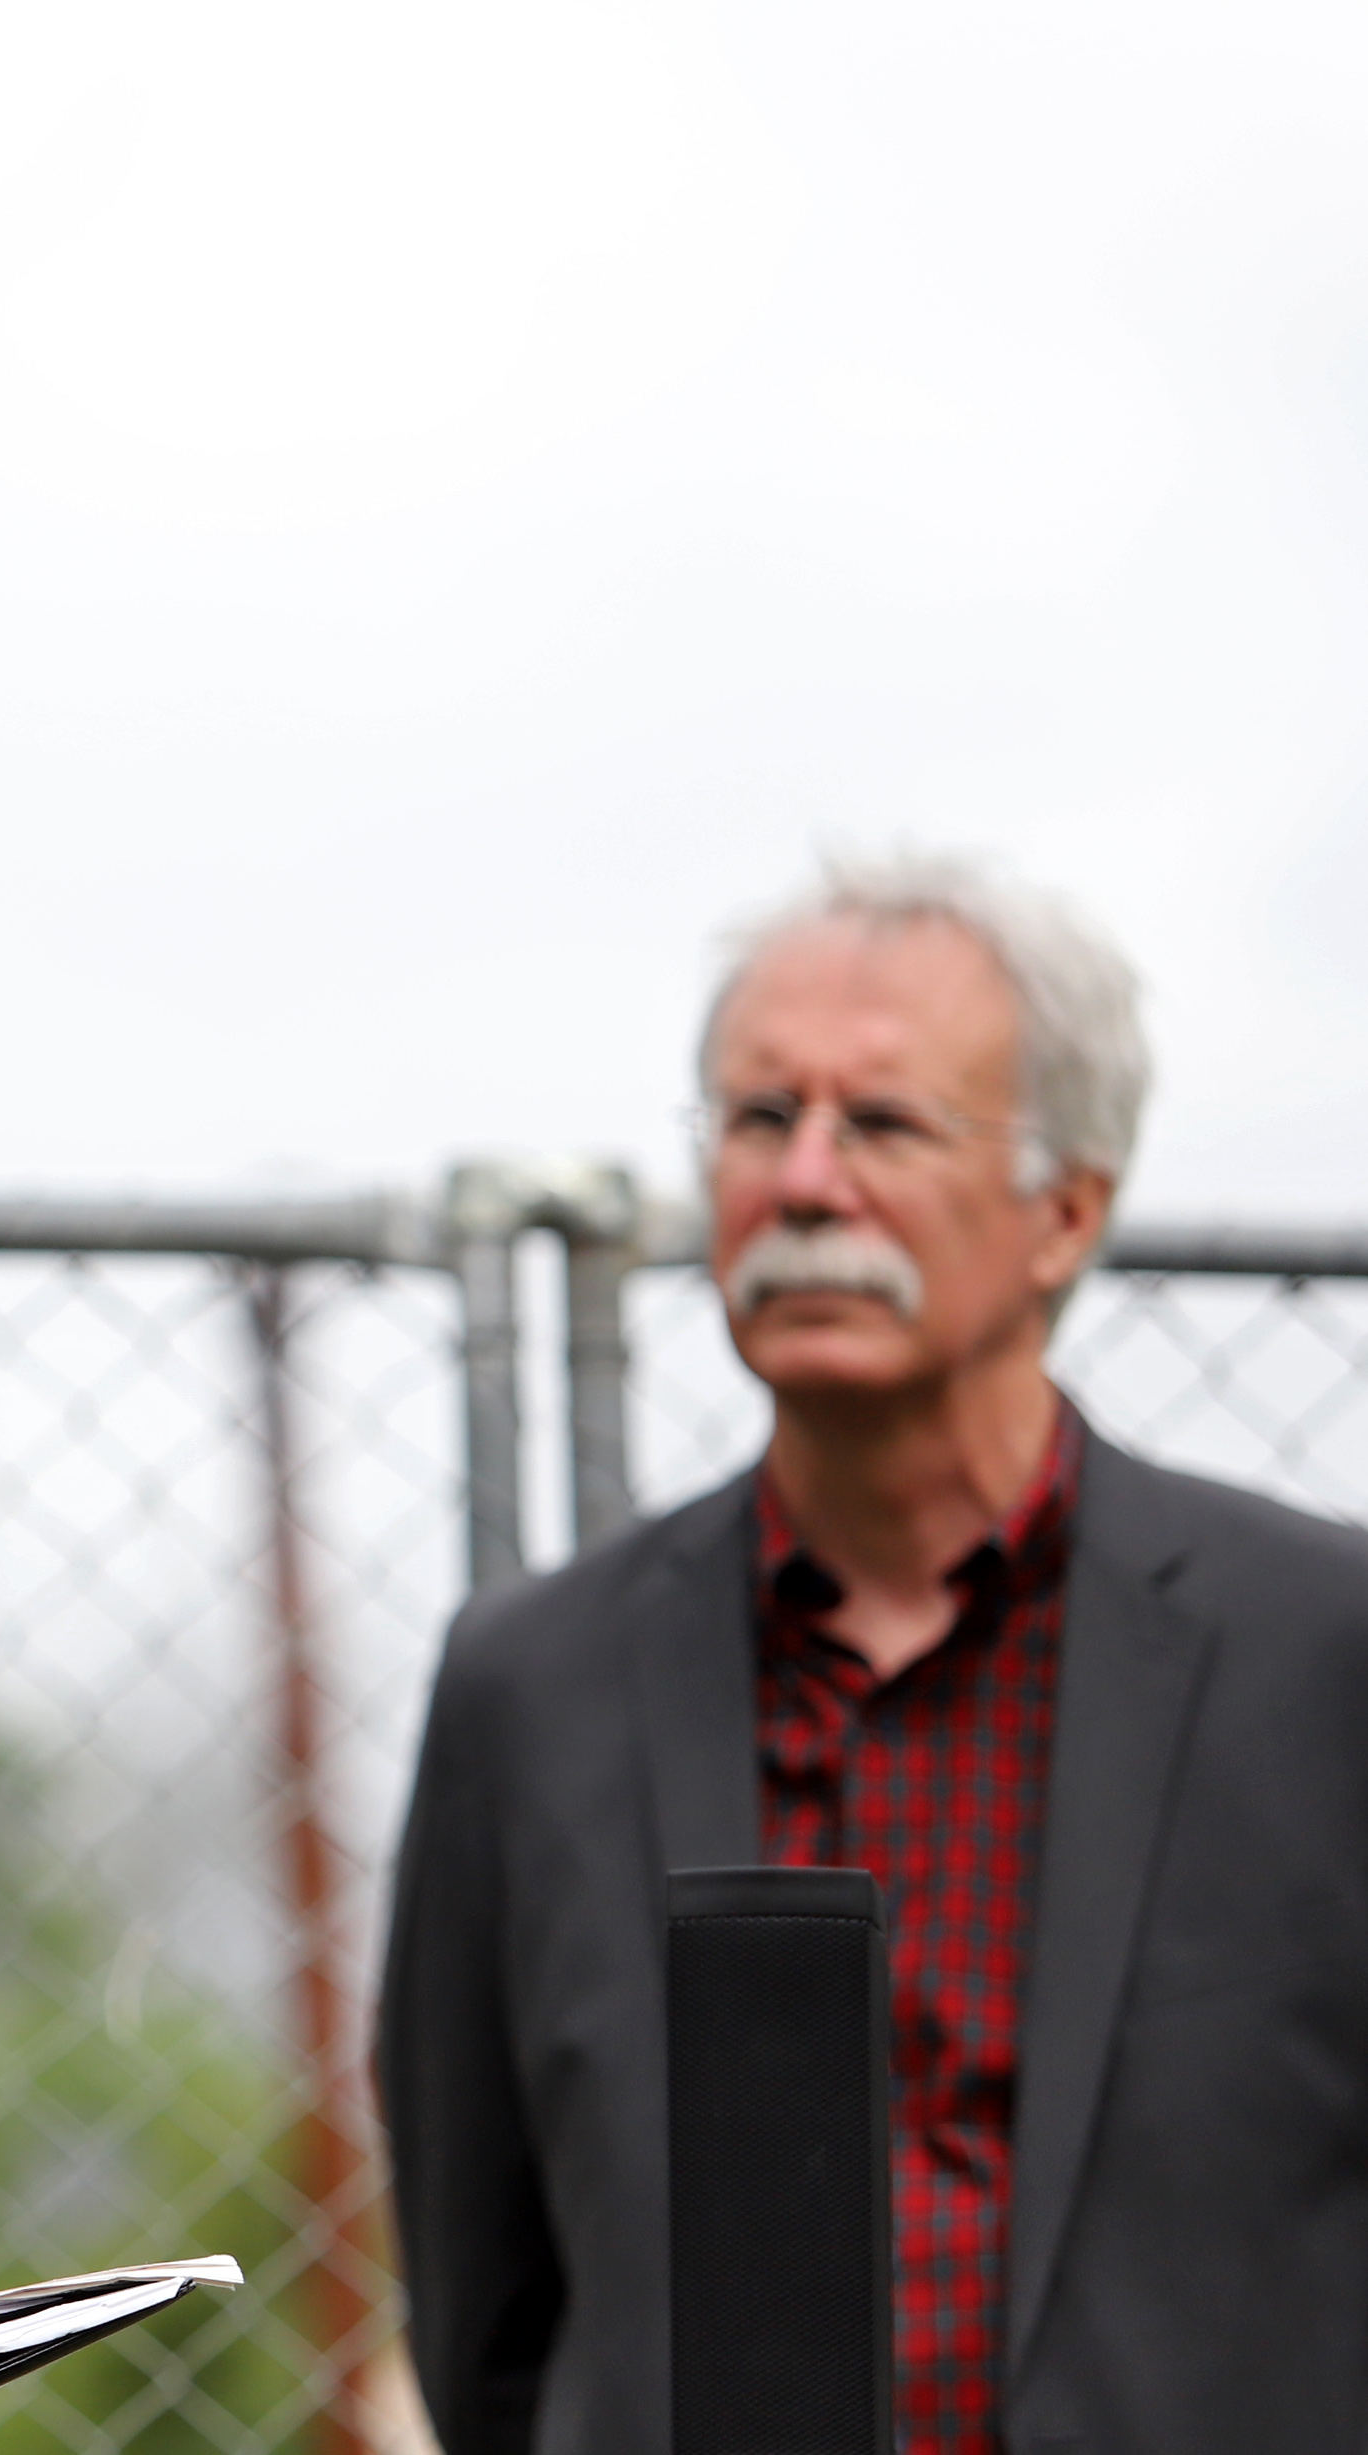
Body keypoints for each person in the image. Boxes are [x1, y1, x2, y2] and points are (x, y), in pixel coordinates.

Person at [379, 852, 1368, 2455]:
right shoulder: (528, 1688)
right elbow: (485, 2303)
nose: (808, 1182)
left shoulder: (1325, 1662)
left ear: (1066, 1211)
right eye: (761, 1119)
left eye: (886, 1124)